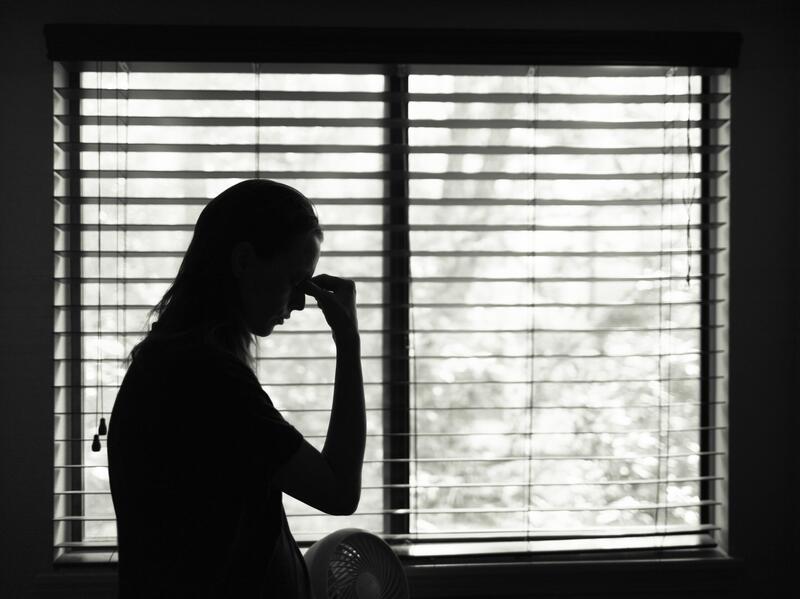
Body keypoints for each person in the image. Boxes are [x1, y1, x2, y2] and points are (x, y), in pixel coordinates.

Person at [107, 179, 366, 598]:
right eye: (295, 280)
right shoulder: (206, 380)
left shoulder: (179, 361)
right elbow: (338, 491)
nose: (301, 303)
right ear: (244, 260)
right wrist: (348, 342)